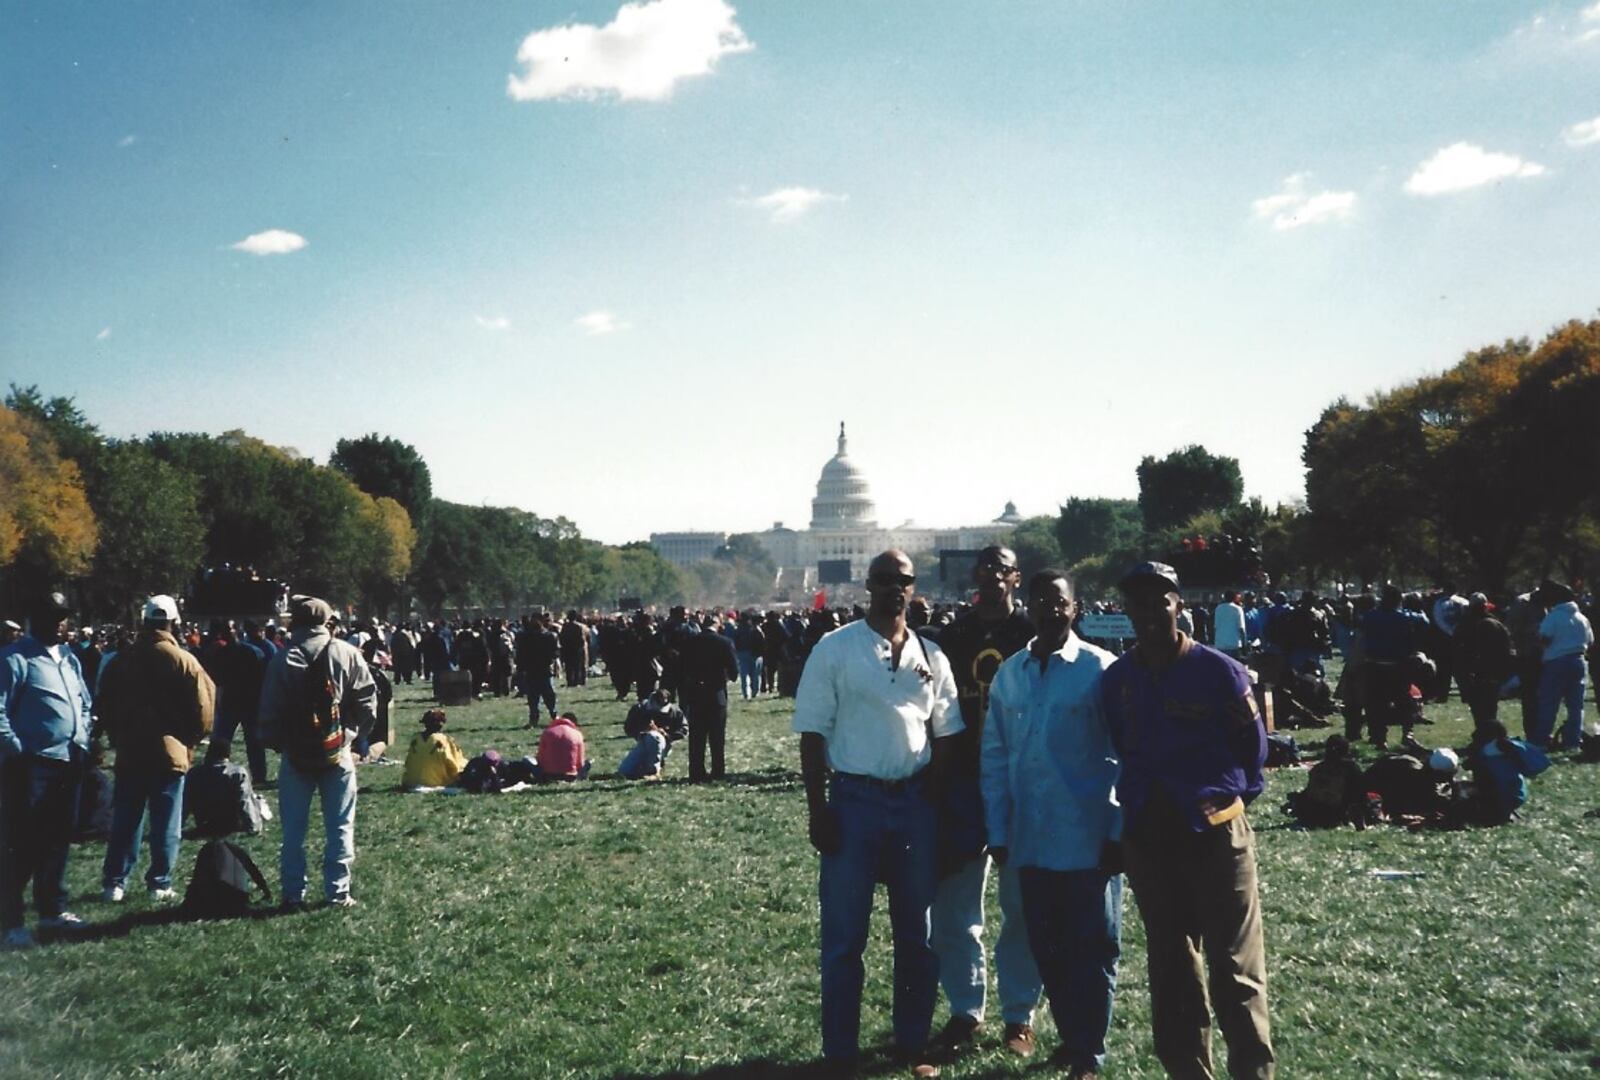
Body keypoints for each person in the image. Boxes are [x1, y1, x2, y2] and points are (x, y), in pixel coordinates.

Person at [1101, 561, 1274, 1079]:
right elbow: (1119, 743)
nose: (1150, 612)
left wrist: (1223, 799)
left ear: (1179, 605)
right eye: (1139, 603)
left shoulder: (1219, 670)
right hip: (1151, 838)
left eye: (1161, 600)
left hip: (1214, 834)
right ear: (1126, 610)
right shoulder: (1119, 680)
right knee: (1172, 973)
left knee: (1235, 972)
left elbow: (1254, 749)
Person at [792, 550, 962, 1078]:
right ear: (868, 586)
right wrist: (818, 807)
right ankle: (840, 1052)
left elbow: (947, 733)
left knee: (918, 932)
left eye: (903, 581)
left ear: (914, 589)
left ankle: (911, 1043)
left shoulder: (931, 656)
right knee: (845, 936)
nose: (894, 589)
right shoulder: (835, 649)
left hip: (913, 800)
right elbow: (812, 733)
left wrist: (931, 793)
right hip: (854, 799)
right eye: (885, 580)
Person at [981, 569, 1121, 1078]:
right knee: (1048, 947)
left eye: (1058, 602)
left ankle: (1088, 1051)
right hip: (1030, 837)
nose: (1049, 609)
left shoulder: (1100, 670)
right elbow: (994, 755)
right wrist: (997, 831)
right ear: (1029, 607)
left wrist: (1118, 830)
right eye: (1040, 601)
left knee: (1094, 946)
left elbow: (1122, 756)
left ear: (1075, 608)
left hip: (1087, 835)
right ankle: (1072, 1036)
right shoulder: (1010, 674)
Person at [923, 545, 1042, 1059]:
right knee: (956, 906)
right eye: (985, 567)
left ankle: (1020, 1016)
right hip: (961, 782)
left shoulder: (1032, 635)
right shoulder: (952, 635)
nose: (992, 574)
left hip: (1018, 780)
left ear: (1016, 577)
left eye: (1002, 567)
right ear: (975, 576)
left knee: (1020, 906)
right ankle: (966, 1009)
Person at [257, 595, 376, 909]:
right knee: (339, 826)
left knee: (293, 831)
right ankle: (338, 891)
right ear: (328, 621)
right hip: (338, 753)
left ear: (294, 622)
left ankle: (293, 893)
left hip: (295, 756)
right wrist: (348, 735)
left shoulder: (282, 659)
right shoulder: (348, 653)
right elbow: (368, 704)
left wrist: (284, 744)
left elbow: (268, 715)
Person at [96, 595, 216, 903]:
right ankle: (159, 881)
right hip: (169, 752)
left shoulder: (121, 659)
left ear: (144, 621)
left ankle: (115, 881)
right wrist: (190, 739)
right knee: (166, 823)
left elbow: (104, 702)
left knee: (126, 820)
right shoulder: (183, 660)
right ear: (173, 623)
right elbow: (204, 708)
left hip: (130, 750)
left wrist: (116, 733)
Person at [0, 592, 94, 947]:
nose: (59, 622)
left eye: (64, 616)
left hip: (70, 761)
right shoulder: (14, 659)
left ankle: (53, 911)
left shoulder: (69, 658)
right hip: (32, 765)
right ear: (34, 619)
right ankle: (10, 921)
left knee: (58, 840)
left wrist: (83, 732)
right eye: (52, 615)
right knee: (22, 844)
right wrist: (18, 751)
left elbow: (84, 701)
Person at [1533, 580, 1593, 750]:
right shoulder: (1582, 618)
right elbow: (1591, 641)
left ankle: (1542, 739)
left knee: (1549, 703)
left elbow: (1545, 638)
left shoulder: (1554, 617)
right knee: (1576, 705)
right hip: (1579, 661)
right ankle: (1573, 740)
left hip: (1556, 661)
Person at [680, 613, 738, 783]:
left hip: (695, 692)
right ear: (718, 624)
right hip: (716, 693)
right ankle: (718, 771)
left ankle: (696, 771)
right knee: (717, 736)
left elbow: (682, 667)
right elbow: (734, 672)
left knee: (696, 737)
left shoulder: (690, 642)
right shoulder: (725, 643)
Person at [1453, 594, 1514, 733]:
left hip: (1474, 673)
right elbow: (1507, 647)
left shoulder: (1464, 625)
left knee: (1478, 708)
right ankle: (1489, 733)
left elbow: (1457, 650)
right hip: (1492, 673)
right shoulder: (1495, 623)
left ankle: (1484, 733)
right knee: (1490, 706)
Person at [401, 709, 468, 789]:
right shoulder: (442, 740)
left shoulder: (415, 739)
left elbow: (408, 762)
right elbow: (452, 764)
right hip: (435, 782)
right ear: (439, 724)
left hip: (412, 781)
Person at [537, 712, 591, 780]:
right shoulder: (577, 734)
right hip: (570, 776)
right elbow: (580, 763)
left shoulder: (547, 732)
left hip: (549, 775)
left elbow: (540, 758)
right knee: (588, 763)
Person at [1213, 592, 1248, 659]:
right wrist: (1244, 645)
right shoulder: (1238, 609)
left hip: (1220, 644)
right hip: (1234, 643)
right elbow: (1241, 628)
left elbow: (1215, 627)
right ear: (1234, 598)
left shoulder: (1218, 608)